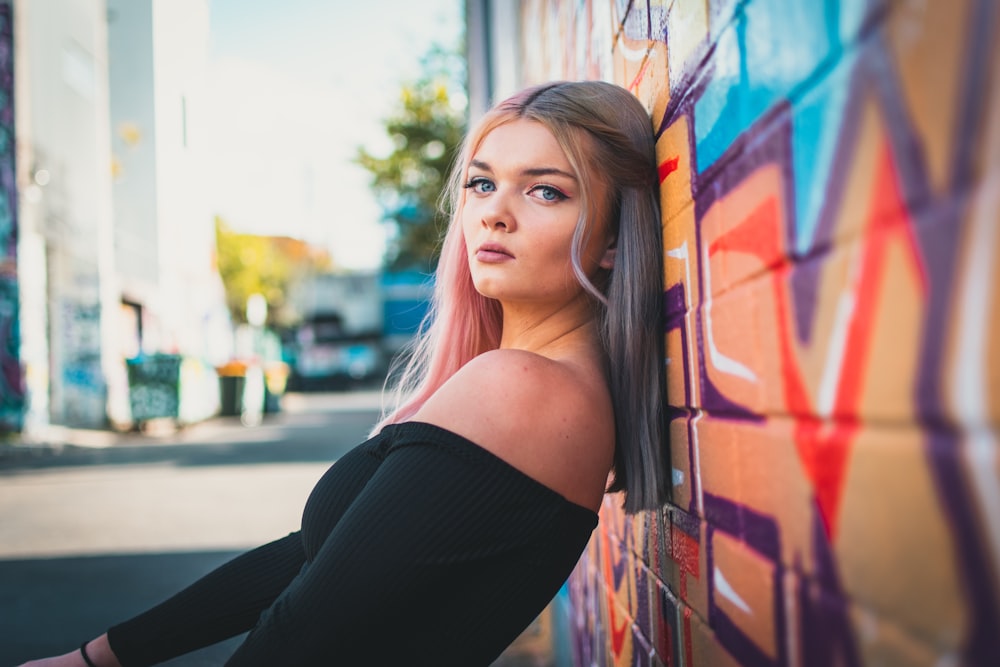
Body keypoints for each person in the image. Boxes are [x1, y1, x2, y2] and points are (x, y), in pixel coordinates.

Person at [20, 79, 668, 667]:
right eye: (481, 183)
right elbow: (311, 559)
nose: (495, 212)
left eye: (545, 190)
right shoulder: (537, 381)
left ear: (612, 237)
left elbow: (303, 635)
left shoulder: (524, 386)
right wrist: (99, 657)